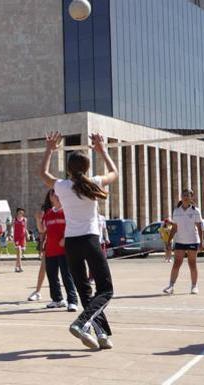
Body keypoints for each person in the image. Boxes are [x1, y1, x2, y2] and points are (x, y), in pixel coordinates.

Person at [40, 132, 119, 350]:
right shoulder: (93, 182)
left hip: (72, 243)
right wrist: (102, 150)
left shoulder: (62, 186)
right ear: (87, 168)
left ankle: (101, 334)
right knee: (106, 289)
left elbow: (42, 173)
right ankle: (82, 323)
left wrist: (49, 149)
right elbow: (115, 173)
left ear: (68, 169)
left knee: (84, 290)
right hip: (90, 240)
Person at [42, 190, 78, 312]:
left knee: (66, 276)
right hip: (50, 250)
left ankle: (72, 301)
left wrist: (65, 238)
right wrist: (37, 220)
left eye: (57, 193)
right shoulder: (48, 213)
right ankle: (57, 299)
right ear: (51, 197)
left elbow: (72, 227)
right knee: (52, 276)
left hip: (64, 250)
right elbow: (43, 230)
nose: (55, 196)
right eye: (53, 194)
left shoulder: (67, 211)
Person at [163, 189, 203, 295]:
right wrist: (168, 241)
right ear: (181, 197)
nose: (185, 197)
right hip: (180, 240)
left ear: (191, 197)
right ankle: (171, 286)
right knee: (176, 263)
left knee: (192, 263)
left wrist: (201, 242)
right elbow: (174, 227)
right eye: (184, 195)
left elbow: (199, 227)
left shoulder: (196, 211)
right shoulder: (176, 211)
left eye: (188, 195)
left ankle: (194, 286)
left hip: (192, 240)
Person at [28, 206, 48, 301]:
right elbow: (42, 232)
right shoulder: (46, 218)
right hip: (49, 245)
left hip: (60, 246)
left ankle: (71, 295)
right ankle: (37, 291)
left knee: (66, 271)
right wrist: (38, 219)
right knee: (43, 268)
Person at [13, 208, 27, 273]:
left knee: (19, 254)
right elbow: (12, 229)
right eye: (19, 212)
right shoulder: (14, 220)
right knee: (19, 251)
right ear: (17, 213)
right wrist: (11, 237)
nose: (20, 214)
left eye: (22, 213)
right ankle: (20, 267)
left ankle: (16, 267)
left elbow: (25, 228)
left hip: (22, 238)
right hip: (16, 238)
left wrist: (27, 235)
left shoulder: (25, 219)